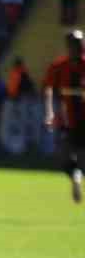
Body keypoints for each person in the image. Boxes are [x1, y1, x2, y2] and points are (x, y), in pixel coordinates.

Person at [43, 30, 85, 204]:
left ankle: (76, 175)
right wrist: (49, 112)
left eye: (80, 44)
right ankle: (76, 176)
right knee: (64, 157)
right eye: (75, 44)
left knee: (74, 156)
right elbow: (48, 89)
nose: (78, 47)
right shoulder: (59, 66)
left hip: (80, 122)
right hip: (67, 120)